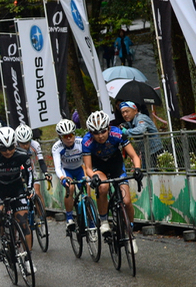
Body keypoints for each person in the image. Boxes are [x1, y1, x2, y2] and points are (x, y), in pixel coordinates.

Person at [82, 111, 144, 253]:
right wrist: (93, 177)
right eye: (96, 133)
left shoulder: (117, 134)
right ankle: (104, 221)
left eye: (103, 131)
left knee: (127, 202)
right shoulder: (87, 141)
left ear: (108, 128)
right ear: (91, 133)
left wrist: (137, 169)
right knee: (103, 186)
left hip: (116, 166)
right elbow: (88, 168)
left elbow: (134, 156)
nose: (100, 135)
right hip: (99, 168)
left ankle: (130, 233)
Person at [0, 127, 34, 265]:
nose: (8, 152)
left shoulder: (22, 154)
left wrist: (29, 188)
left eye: (11, 147)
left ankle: (28, 259)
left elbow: (29, 174)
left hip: (15, 187)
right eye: (4, 149)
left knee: (23, 222)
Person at [51, 119, 86, 231]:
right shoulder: (57, 147)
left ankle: (91, 220)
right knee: (70, 188)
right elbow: (57, 166)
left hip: (80, 168)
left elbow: (87, 161)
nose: (69, 138)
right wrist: (62, 178)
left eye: (71, 135)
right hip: (67, 171)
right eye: (66, 136)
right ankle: (69, 217)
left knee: (88, 187)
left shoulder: (81, 143)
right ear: (61, 137)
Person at [118, 101, 164, 170]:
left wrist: (126, 131)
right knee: (145, 172)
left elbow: (140, 130)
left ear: (135, 111)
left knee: (153, 174)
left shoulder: (141, 118)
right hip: (145, 151)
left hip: (154, 151)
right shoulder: (131, 121)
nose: (125, 114)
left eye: (127, 111)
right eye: (123, 112)